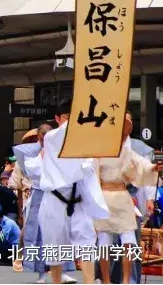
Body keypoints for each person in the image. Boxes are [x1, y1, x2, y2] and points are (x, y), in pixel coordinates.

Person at [24, 100, 111, 285]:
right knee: (55, 245)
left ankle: (89, 282)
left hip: (79, 199)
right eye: (67, 117)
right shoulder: (51, 138)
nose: (72, 122)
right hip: (55, 199)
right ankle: (56, 281)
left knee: (87, 242)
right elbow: (34, 169)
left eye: (74, 117)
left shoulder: (86, 138)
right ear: (57, 118)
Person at [93, 112, 162, 284]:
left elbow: (142, 164)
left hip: (124, 196)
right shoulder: (100, 150)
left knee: (129, 241)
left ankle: (126, 280)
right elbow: (91, 176)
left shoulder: (129, 151)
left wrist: (154, 167)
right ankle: (106, 280)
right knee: (104, 242)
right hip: (104, 198)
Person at [16, 122, 78, 284]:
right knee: (39, 234)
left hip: (59, 194)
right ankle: (41, 274)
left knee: (62, 231)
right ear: (39, 137)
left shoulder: (61, 150)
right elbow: (32, 172)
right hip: (39, 192)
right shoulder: (29, 151)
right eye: (44, 138)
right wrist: (44, 152)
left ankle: (63, 271)